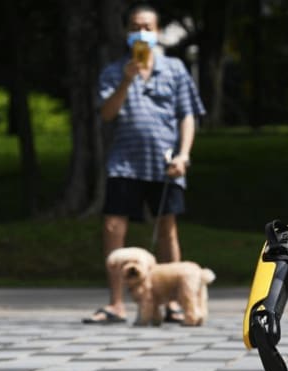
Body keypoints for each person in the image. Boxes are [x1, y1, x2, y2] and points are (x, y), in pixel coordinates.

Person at [83, 3, 205, 325]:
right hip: (125, 161)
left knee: (167, 231)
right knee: (113, 228)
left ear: (158, 32)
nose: (142, 33)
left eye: (148, 27)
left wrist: (184, 154)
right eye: (136, 27)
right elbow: (107, 114)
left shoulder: (175, 69)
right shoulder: (113, 71)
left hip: (165, 162)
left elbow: (187, 115)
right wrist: (126, 81)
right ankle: (116, 304)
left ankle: (175, 304)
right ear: (127, 33)